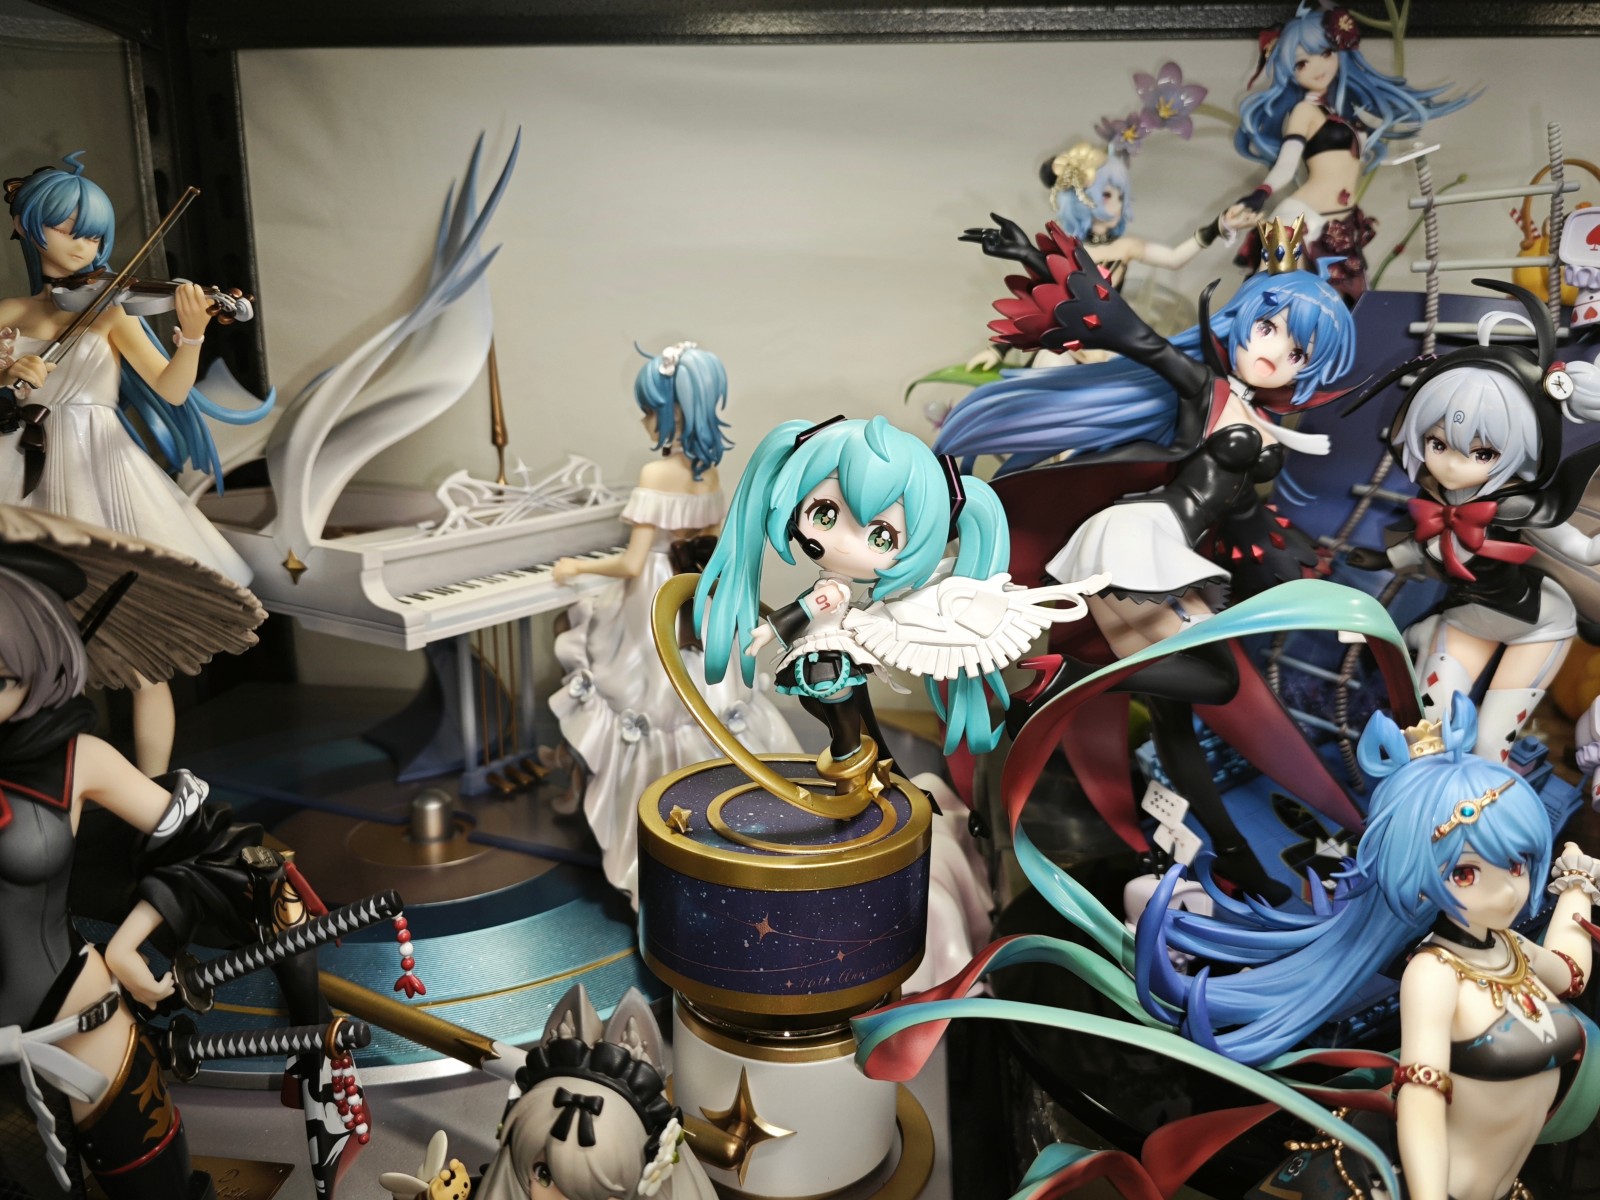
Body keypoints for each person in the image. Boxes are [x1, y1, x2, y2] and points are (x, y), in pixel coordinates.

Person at [936, 216, 1360, 898]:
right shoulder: (1205, 390)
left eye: (1299, 350)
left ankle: (1231, 854)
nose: (1275, 353)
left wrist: (1300, 563)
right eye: (1268, 328)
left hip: (1160, 547)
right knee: (1219, 682)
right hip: (1139, 538)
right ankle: (1066, 680)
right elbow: (1133, 335)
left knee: (1176, 723)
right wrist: (1042, 266)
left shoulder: (1258, 418)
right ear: (1244, 320)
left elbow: (1243, 517)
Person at [1139, 694, 1595, 1200]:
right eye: (1466, 873)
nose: (1508, 891)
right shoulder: (1435, 974)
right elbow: (1420, 1098)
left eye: (1517, 864)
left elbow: (1570, 973)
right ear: (1417, 875)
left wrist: (1577, 886)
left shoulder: (1509, 948)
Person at [0, 155, 271, 774]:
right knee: (26, 635)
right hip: (17, 466)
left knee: (143, 655)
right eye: (68, 230)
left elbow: (171, 391)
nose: (85, 247)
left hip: (100, 469)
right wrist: (12, 379)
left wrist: (193, 335)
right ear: (26, 226)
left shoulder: (112, 310)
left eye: (95, 235)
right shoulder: (7, 314)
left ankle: (156, 796)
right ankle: (44, 782)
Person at [549, 344, 798, 901]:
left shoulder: (656, 472)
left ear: (674, 412)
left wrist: (576, 566)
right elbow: (711, 546)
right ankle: (724, 819)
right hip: (696, 593)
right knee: (705, 698)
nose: (644, 419)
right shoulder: (710, 474)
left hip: (656, 599)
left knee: (632, 687)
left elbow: (631, 564)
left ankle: (646, 826)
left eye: (650, 408)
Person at [1344, 282, 1600, 761]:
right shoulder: (1435, 502)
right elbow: (1429, 546)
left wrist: (1593, 548)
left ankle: (1481, 813)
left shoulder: (1516, 508)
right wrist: (1383, 558)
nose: (1451, 465)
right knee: (1424, 735)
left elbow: (1580, 548)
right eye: (1437, 444)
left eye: (1482, 453)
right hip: (1467, 619)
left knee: (1489, 744)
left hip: (1538, 625)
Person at [1224, 3, 1476, 302]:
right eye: (1301, 63)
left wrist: (1407, 158)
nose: (1317, 67)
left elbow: (1350, 161)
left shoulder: (1341, 114)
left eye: (1326, 53)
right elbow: (1286, 166)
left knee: (1349, 310)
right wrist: (1260, 194)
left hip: (1341, 224)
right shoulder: (1304, 111)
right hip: (1303, 222)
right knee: (1281, 307)